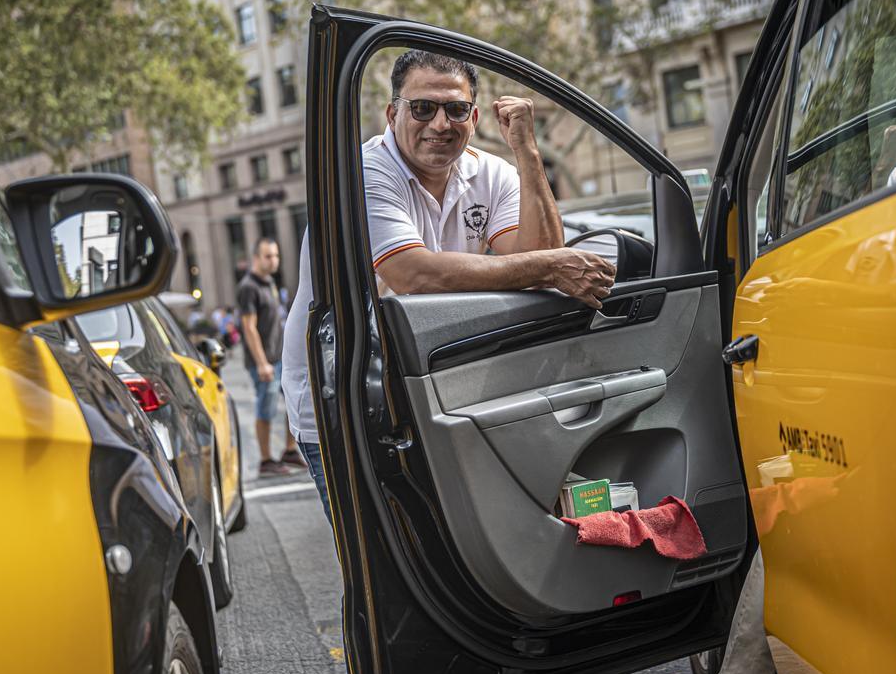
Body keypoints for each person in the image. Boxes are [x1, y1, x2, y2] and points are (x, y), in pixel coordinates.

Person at [282, 50, 616, 524]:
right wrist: (547, 266)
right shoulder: (364, 172)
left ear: (475, 117)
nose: (440, 123)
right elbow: (414, 274)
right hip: (349, 397)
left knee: (457, 543)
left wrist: (527, 150)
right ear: (392, 114)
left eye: (456, 110)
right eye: (423, 108)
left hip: (435, 387)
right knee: (384, 560)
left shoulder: (491, 171)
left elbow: (538, 251)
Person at [237, 237, 305, 477]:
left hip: (279, 357)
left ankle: (289, 451)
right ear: (256, 258)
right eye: (268, 256)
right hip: (264, 362)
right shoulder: (248, 287)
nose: (273, 260)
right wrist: (262, 362)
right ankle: (265, 461)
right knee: (265, 409)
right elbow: (249, 327)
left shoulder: (270, 283)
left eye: (276, 255)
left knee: (294, 403)